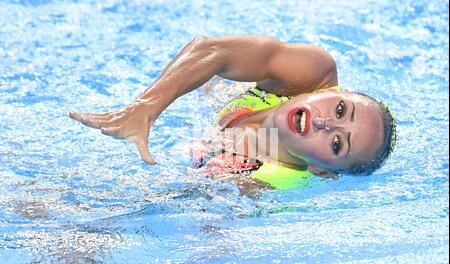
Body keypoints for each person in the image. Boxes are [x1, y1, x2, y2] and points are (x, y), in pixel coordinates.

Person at [69, 35, 396, 188]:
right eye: (341, 109)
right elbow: (212, 50)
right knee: (216, 83)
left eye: (337, 144)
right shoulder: (311, 75)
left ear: (321, 170)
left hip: (206, 156)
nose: (326, 123)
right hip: (227, 100)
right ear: (338, 92)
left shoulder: (254, 179)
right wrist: (145, 108)